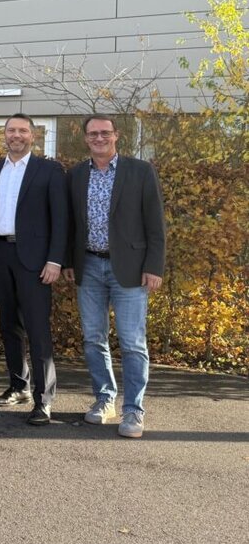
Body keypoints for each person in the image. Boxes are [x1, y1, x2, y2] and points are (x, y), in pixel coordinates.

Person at [65, 114, 166, 439]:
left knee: (133, 342)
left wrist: (154, 266)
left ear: (116, 135)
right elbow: (71, 224)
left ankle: (133, 410)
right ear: (85, 138)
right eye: (93, 133)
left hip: (132, 269)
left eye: (105, 132)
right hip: (89, 266)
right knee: (94, 338)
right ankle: (104, 399)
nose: (99, 138)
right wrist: (69, 261)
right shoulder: (77, 174)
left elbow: (155, 224)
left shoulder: (140, 171)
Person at [0, 114, 67, 426]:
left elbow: (61, 219)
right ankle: (19, 386)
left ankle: (44, 400)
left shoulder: (49, 170)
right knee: (8, 325)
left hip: (36, 259)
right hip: (1, 253)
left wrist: (56, 260)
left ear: (33, 135)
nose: (16, 135)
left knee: (37, 329)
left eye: (22, 131)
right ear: (3, 135)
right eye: (11, 130)